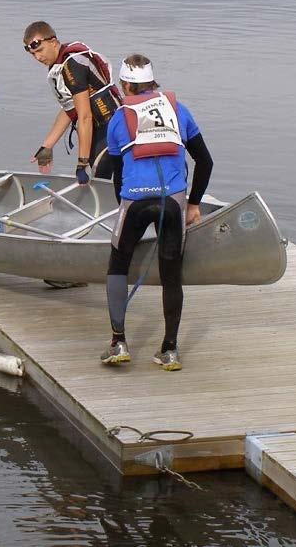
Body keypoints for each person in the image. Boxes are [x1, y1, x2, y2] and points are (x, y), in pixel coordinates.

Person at [100, 54, 213, 371]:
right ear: (153, 83)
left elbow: (118, 172)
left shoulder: (119, 118)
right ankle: (170, 350)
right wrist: (193, 204)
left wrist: (122, 207)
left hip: (134, 201)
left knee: (118, 263)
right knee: (171, 274)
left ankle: (118, 343)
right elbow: (205, 162)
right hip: (172, 203)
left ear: (124, 85)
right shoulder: (179, 110)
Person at [22, 21, 121, 184]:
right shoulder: (60, 64)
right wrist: (47, 146)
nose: (38, 57)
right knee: (100, 177)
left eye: (40, 50)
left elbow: (84, 117)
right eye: (33, 54)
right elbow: (70, 109)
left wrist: (81, 163)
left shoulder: (71, 65)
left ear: (53, 42)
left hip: (112, 127)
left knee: (99, 173)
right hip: (98, 130)